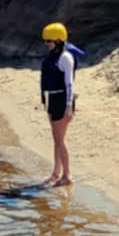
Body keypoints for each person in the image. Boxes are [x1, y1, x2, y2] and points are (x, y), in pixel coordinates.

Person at [40, 22, 85, 186]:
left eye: (49, 41)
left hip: (62, 100)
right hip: (53, 99)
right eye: (45, 41)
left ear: (58, 41)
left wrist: (68, 106)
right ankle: (56, 173)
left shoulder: (65, 57)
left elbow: (69, 83)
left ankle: (67, 175)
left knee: (60, 139)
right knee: (56, 138)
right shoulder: (54, 56)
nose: (46, 44)